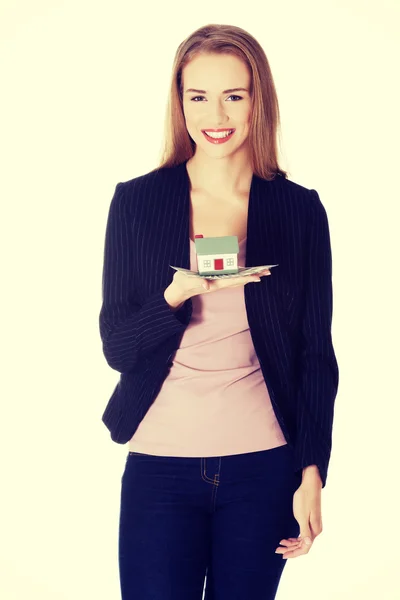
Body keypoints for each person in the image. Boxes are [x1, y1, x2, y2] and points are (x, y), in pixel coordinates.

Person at [99, 23, 339, 600]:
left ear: (258, 101)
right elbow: (117, 348)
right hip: (160, 467)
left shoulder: (298, 210)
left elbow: (316, 356)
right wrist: (174, 298)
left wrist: (312, 474)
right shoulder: (138, 202)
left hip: (264, 467)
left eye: (234, 94)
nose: (217, 113)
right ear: (179, 104)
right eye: (197, 96)